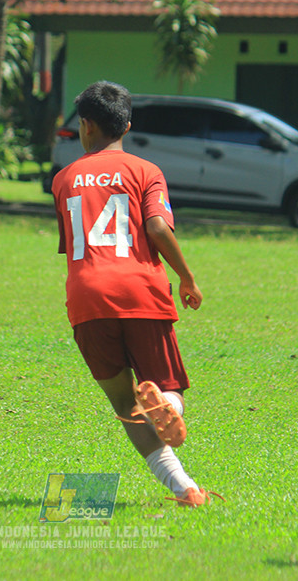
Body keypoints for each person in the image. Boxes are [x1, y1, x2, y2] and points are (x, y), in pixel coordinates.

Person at [51, 80, 220, 507]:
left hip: (87, 298)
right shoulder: (146, 171)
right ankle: (169, 408)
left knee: (125, 401)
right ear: (127, 125)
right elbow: (157, 227)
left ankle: (184, 489)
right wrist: (186, 277)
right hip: (140, 290)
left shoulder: (64, 179)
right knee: (166, 386)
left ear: (85, 126)